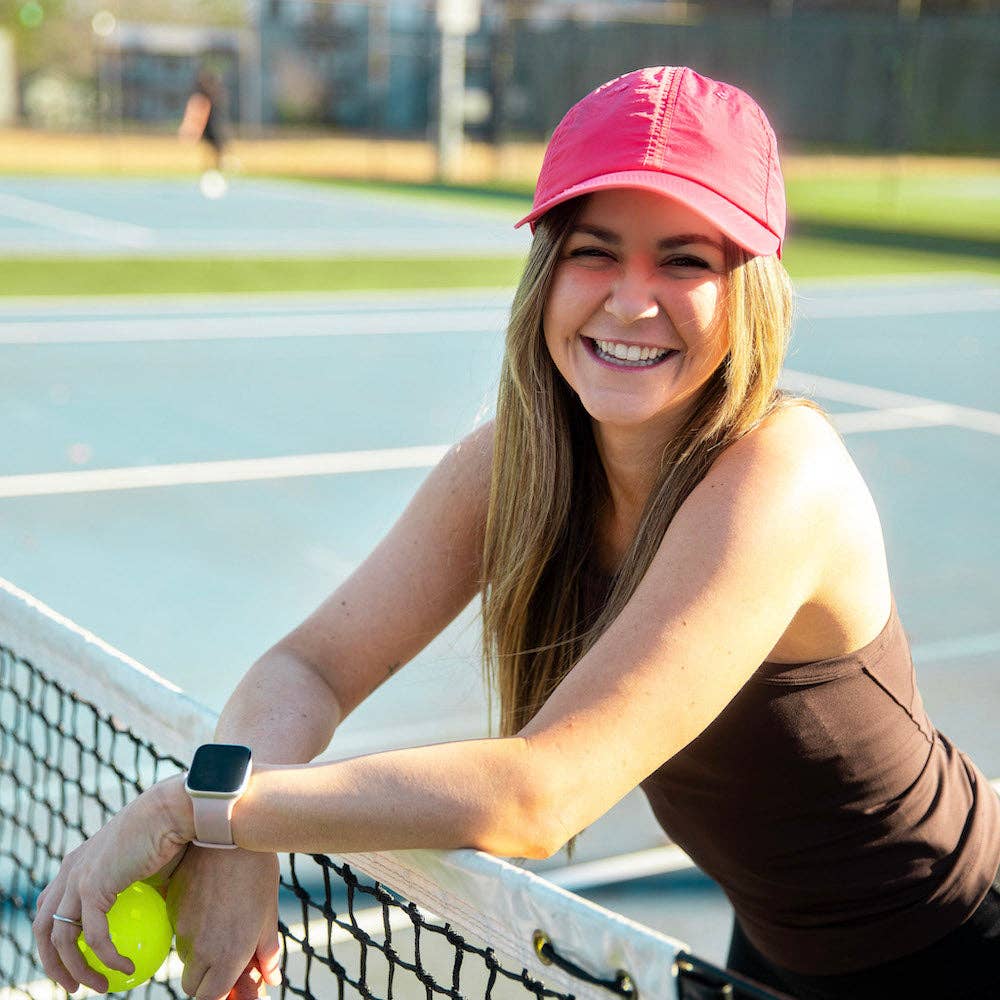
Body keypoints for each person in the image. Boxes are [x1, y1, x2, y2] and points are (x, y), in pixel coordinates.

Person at [34, 66, 999, 1000]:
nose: (630, 297)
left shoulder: (780, 474)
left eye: (686, 259)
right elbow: (311, 666)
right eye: (593, 249)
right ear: (545, 273)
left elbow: (541, 793)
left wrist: (201, 817)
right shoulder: (522, 460)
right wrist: (233, 819)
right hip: (773, 949)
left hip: (958, 946)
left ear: (750, 290)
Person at [179, 68, 230, 198]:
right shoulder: (203, 97)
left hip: (216, 129)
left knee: (217, 154)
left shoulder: (214, 95)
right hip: (212, 130)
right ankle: (212, 177)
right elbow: (197, 114)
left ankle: (215, 176)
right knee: (214, 154)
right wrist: (192, 129)